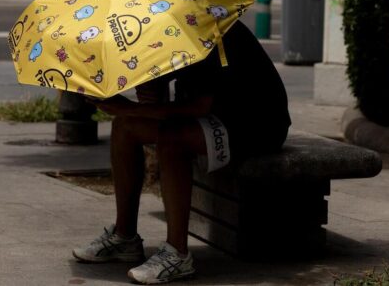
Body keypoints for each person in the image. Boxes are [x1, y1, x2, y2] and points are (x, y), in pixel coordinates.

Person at [72, 21, 291, 284]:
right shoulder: (168, 30)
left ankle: (177, 254)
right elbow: (166, 98)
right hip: (215, 115)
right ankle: (124, 236)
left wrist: (132, 108)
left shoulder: (213, 31)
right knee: (124, 128)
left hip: (255, 124)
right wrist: (149, 91)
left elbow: (199, 106)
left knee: (172, 138)